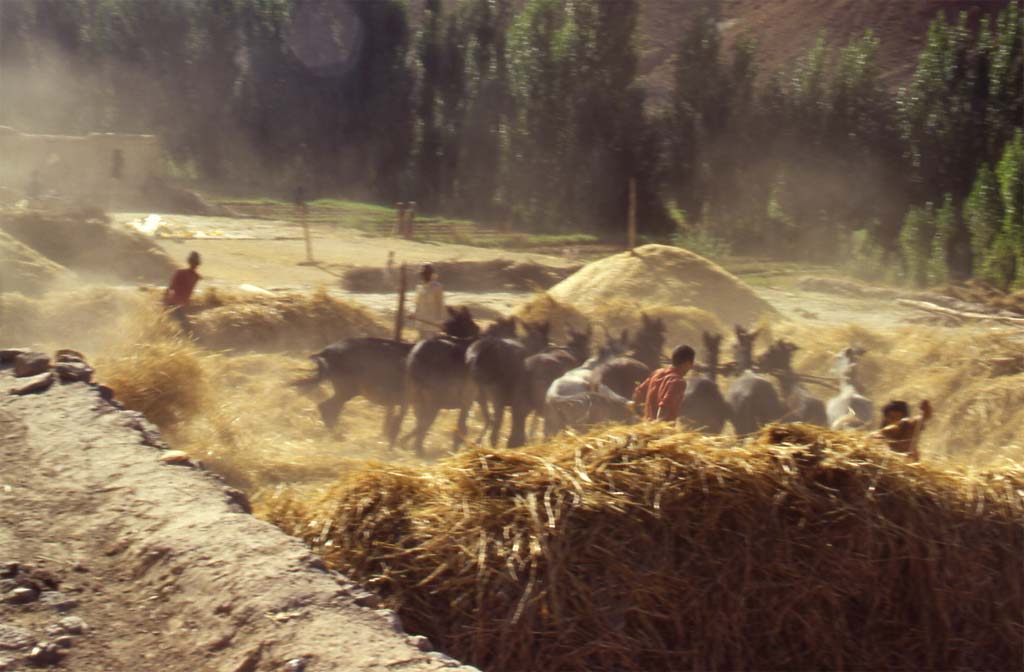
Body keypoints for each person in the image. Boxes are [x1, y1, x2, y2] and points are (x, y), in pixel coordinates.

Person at [632, 345, 696, 421]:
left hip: (647, 427)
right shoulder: (678, 382)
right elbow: (665, 407)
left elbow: (638, 393)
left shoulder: (657, 373)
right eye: (691, 364)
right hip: (661, 430)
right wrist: (658, 426)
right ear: (687, 363)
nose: (691, 367)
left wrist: (638, 413)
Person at [164, 251, 202, 334]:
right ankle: (192, 344)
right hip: (173, 304)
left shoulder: (196, 276)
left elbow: (188, 292)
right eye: (193, 262)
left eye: (195, 262)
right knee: (186, 327)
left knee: (184, 326)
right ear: (190, 262)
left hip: (180, 305)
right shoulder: (182, 273)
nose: (194, 264)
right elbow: (171, 288)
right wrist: (165, 302)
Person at [409, 263, 445, 339]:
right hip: (420, 323)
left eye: (427, 273)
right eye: (423, 274)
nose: (424, 276)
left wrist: (440, 321)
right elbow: (416, 303)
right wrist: (412, 313)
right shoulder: (419, 287)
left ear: (431, 274)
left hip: (431, 325)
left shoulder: (437, 287)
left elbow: (440, 305)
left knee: (429, 347)